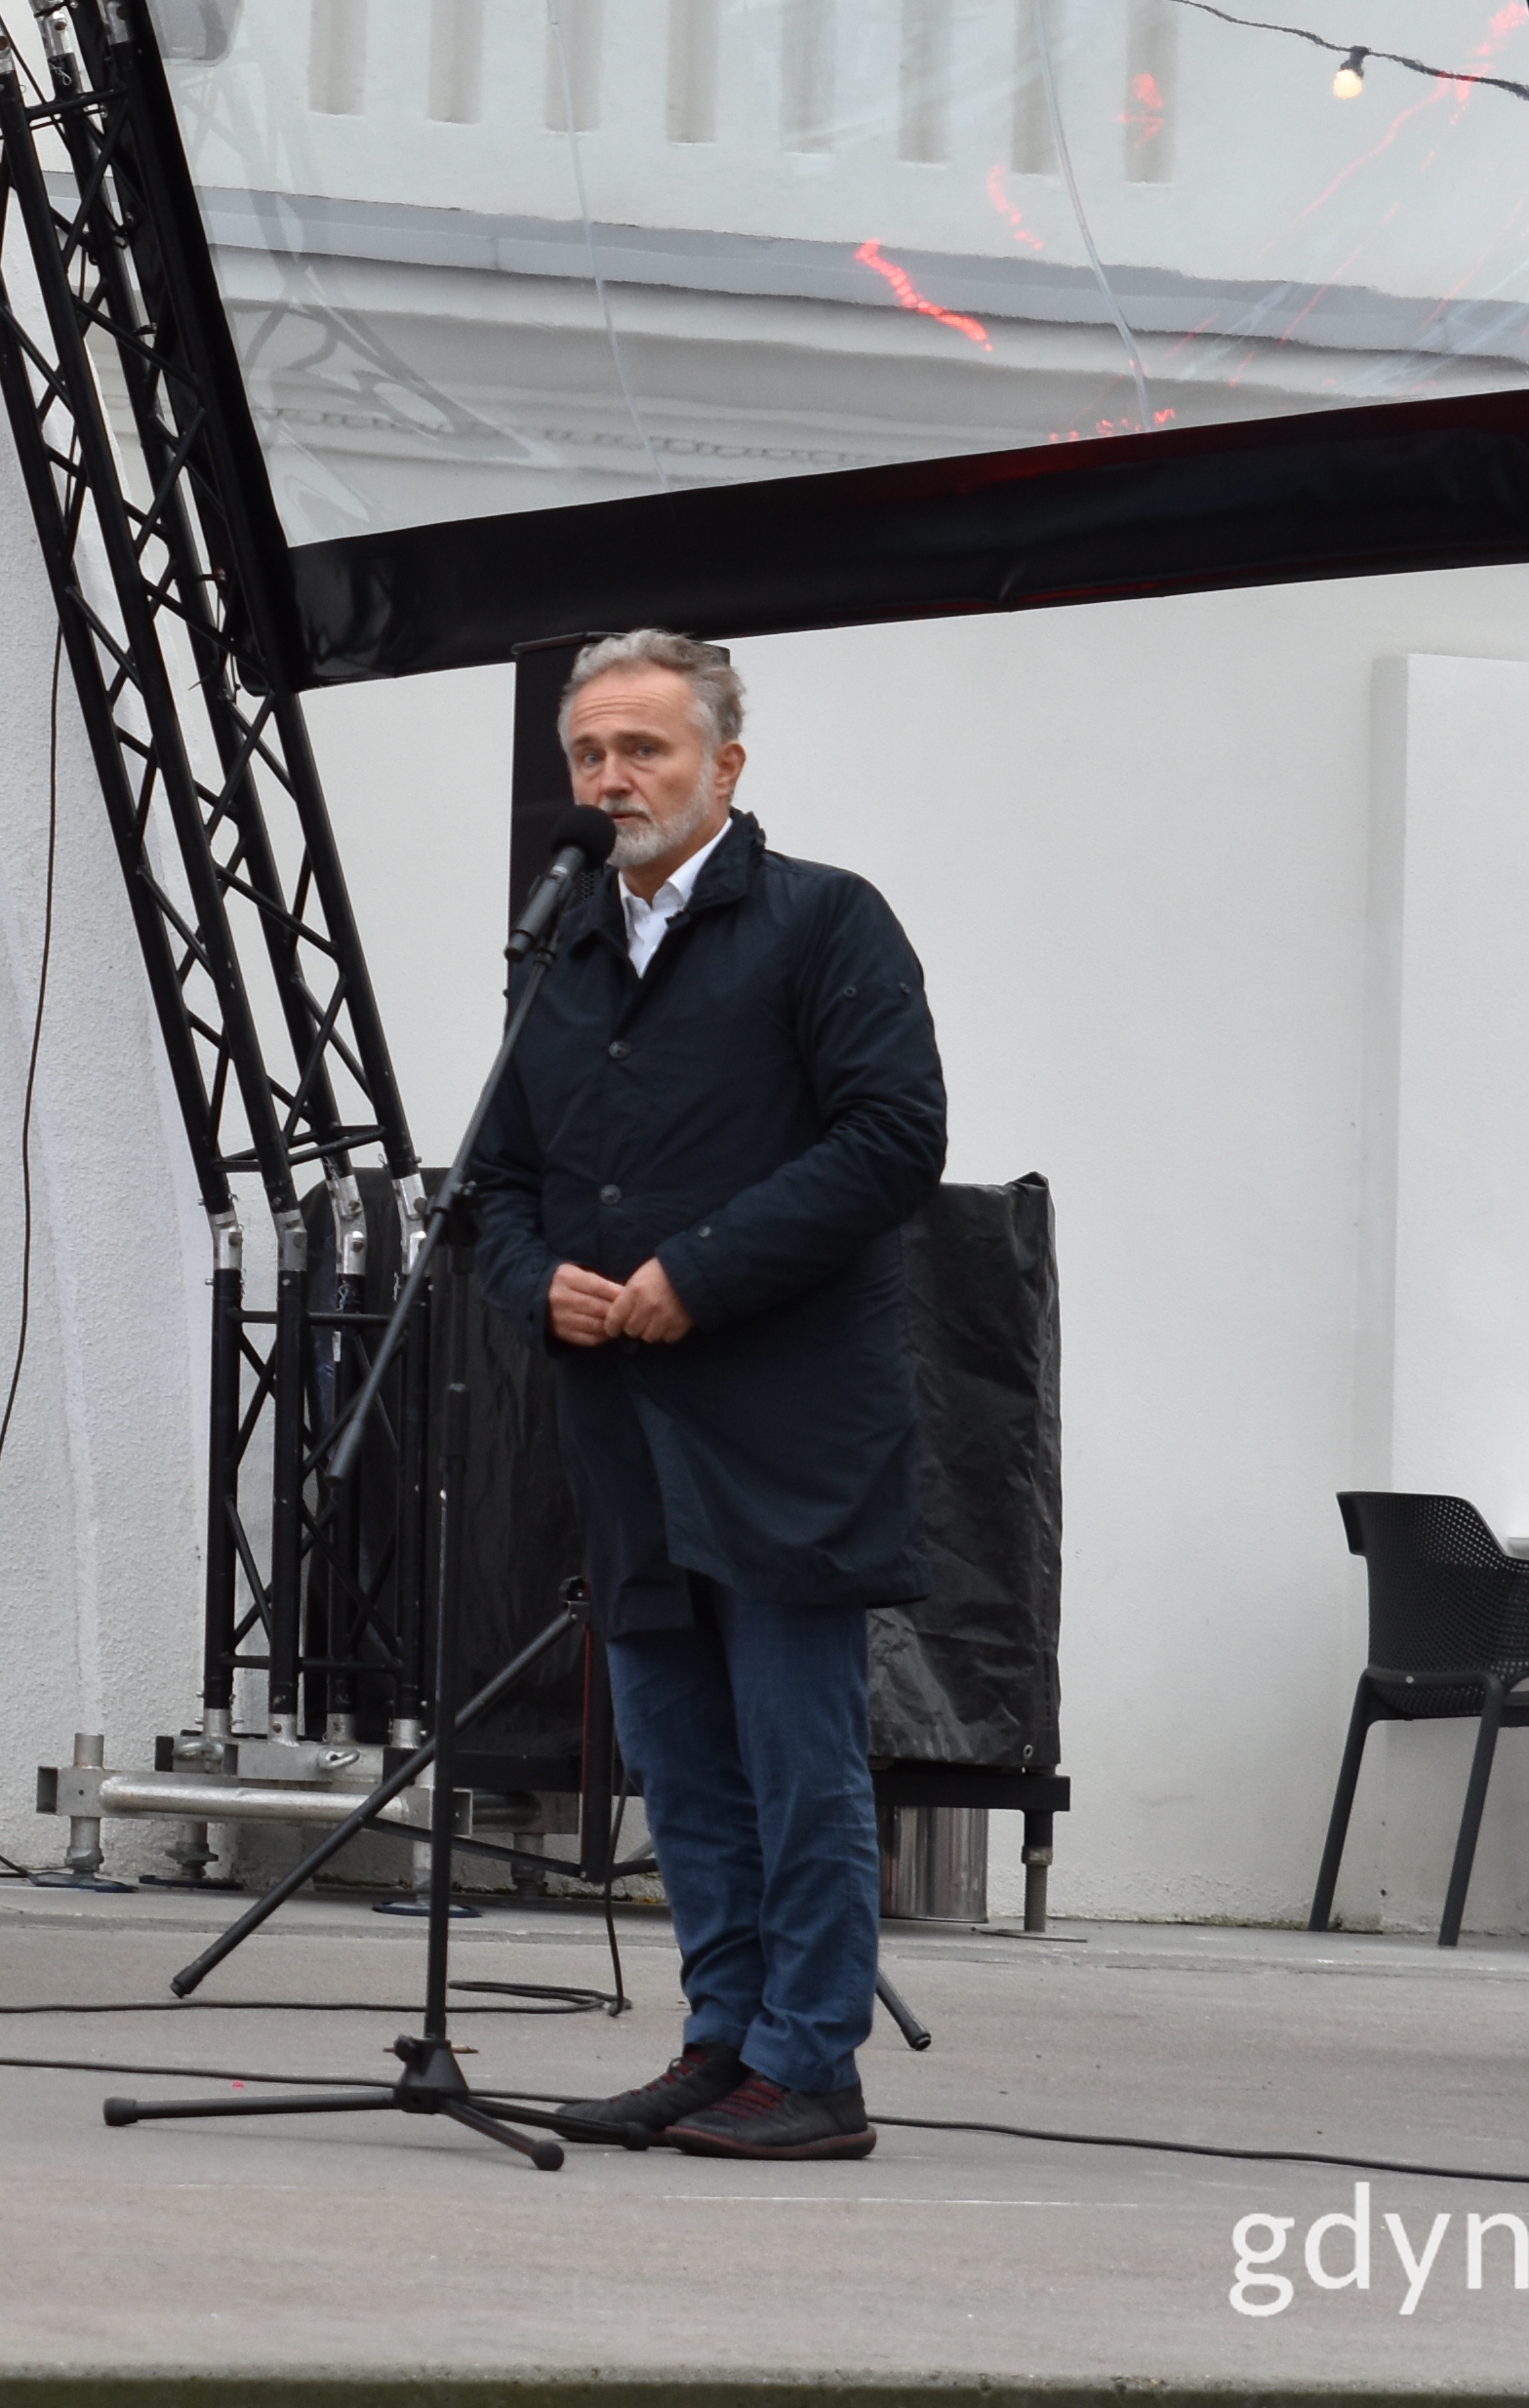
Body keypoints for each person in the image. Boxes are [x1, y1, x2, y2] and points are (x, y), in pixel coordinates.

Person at [488, 628, 947, 2166]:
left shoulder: (825, 923)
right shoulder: (557, 947)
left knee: (791, 1753)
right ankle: (723, 2040)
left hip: (784, 1418)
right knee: (681, 1759)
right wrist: (531, 1277)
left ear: (726, 767)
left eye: (646, 750)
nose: (612, 780)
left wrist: (704, 1269)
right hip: (626, 1426)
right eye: (589, 757)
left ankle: (813, 2063)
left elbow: (895, 1140)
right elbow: (491, 1186)